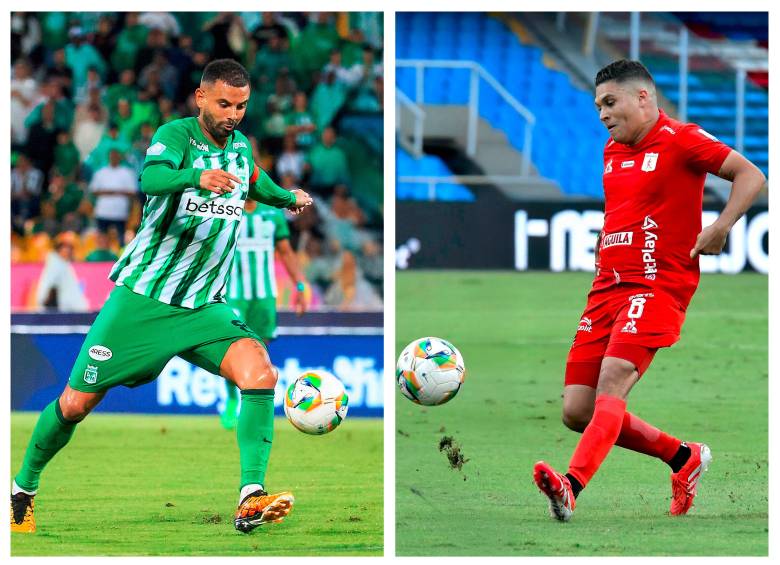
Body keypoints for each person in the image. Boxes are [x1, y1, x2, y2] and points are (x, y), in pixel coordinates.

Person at [11, 59, 312, 535]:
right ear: (200, 97)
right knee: (74, 404)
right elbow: (150, 180)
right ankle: (22, 490)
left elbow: (255, 179)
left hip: (203, 305)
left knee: (259, 373)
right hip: (144, 300)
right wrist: (196, 177)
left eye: (241, 106)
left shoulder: (239, 148)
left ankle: (250, 497)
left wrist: (286, 196)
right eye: (224, 104)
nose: (234, 114)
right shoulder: (176, 136)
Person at [532, 60, 766, 522]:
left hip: (658, 286)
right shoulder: (611, 150)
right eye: (598, 105)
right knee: (577, 410)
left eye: (610, 102)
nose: (602, 114)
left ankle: (571, 487)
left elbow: (751, 175)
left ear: (643, 98)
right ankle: (684, 458)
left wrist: (721, 226)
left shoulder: (682, 140)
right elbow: (626, 207)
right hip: (606, 289)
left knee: (614, 377)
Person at [219, 198, 308, 430]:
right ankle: (230, 400)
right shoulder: (226, 208)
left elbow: (286, 252)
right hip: (234, 292)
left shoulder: (272, 214)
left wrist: (300, 285)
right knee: (233, 347)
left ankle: (253, 407)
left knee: (260, 351)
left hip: (264, 295)